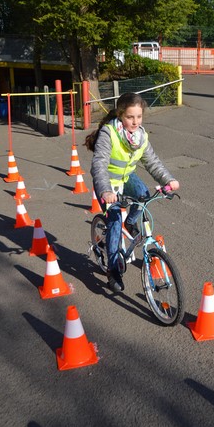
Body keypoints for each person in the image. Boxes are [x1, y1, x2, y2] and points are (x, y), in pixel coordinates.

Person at [84, 92, 180, 293]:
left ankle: (131, 222)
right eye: (130, 117)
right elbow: (99, 165)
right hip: (108, 182)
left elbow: (152, 162)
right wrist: (105, 191)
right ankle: (113, 270)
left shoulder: (140, 136)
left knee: (144, 195)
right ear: (120, 115)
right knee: (114, 221)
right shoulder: (108, 133)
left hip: (126, 177)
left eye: (139, 116)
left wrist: (168, 180)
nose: (135, 121)